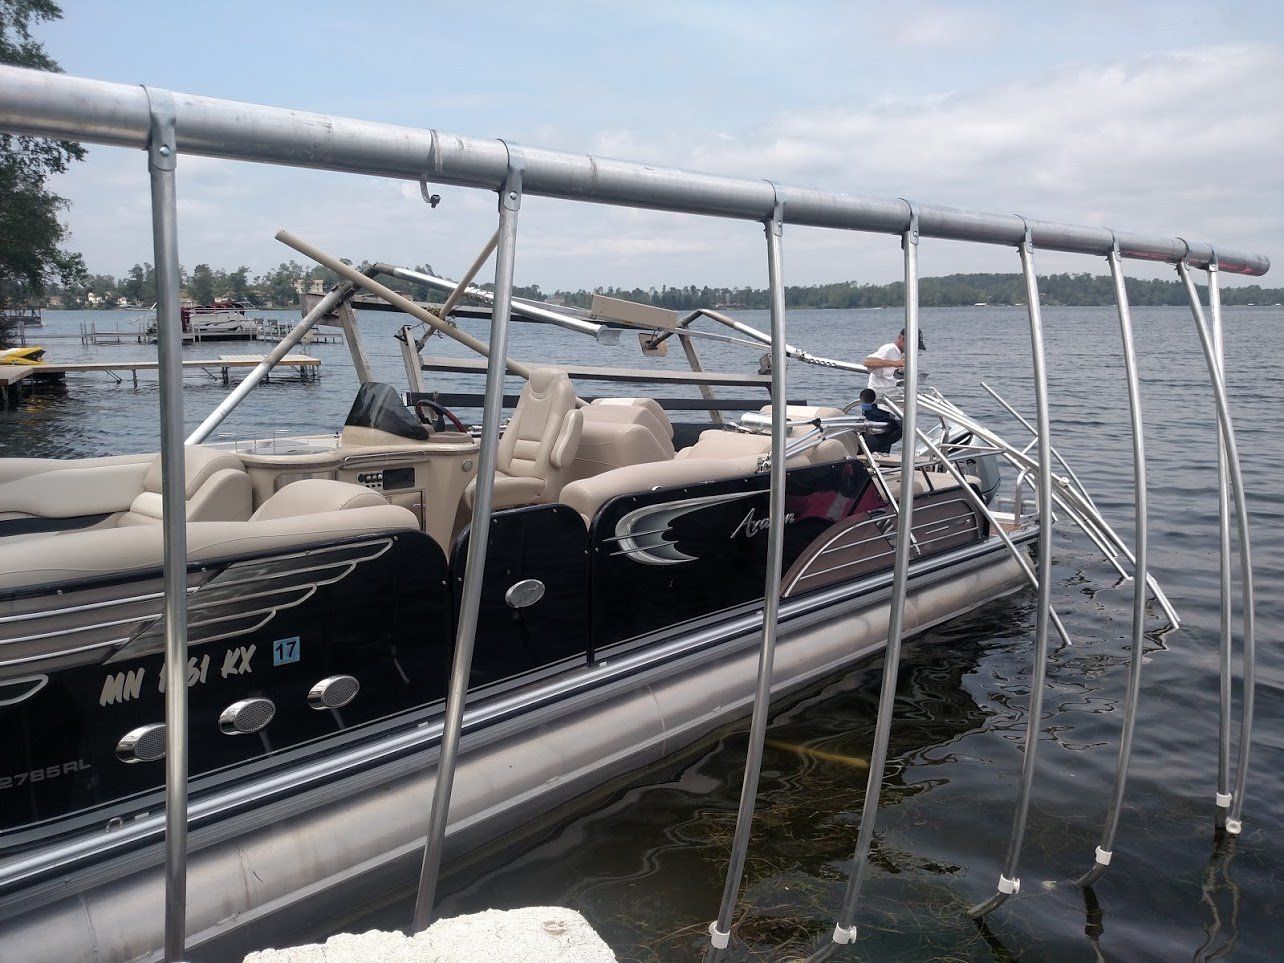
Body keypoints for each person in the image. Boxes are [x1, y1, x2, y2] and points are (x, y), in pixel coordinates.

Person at [861, 327, 925, 454]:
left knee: (887, 442)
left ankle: (880, 459)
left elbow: (891, 378)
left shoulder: (899, 354)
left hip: (888, 406)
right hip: (877, 406)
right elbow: (868, 362)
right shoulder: (889, 349)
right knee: (881, 439)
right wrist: (896, 363)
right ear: (903, 339)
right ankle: (865, 454)